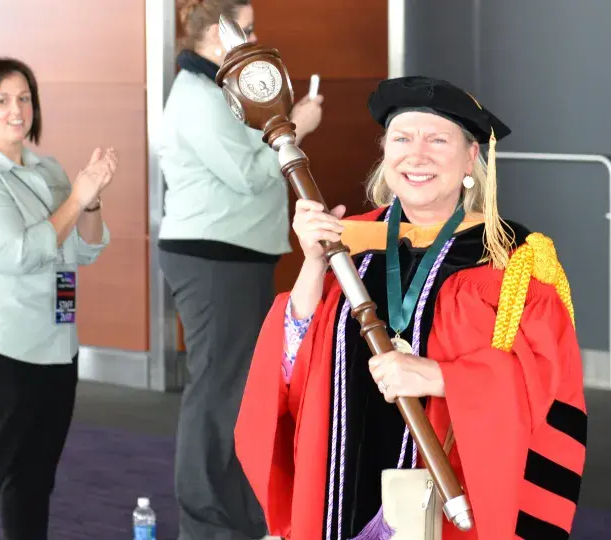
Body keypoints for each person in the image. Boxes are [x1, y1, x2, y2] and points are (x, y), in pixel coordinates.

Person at [234, 76, 588, 540]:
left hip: (449, 497)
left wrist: (441, 378)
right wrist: (315, 264)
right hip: (338, 484)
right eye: (402, 138)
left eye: (438, 140)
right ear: (386, 154)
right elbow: (292, 360)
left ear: (471, 157)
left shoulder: (514, 258)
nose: (416, 155)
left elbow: (547, 385)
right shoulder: (350, 243)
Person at [157, 1, 324, 539]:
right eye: (245, 30)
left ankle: (236, 511)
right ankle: (206, 521)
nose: (254, 38)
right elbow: (251, 175)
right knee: (217, 392)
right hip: (213, 257)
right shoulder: (199, 99)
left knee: (235, 390)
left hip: (234, 255)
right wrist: (294, 125)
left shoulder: (218, 92)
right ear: (213, 36)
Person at [0, 57, 118, 540]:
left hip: (54, 346)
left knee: (34, 483)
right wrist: (77, 199)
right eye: (2, 100)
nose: (17, 110)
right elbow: (19, 253)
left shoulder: (47, 168)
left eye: (24, 98)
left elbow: (84, 248)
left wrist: (92, 200)